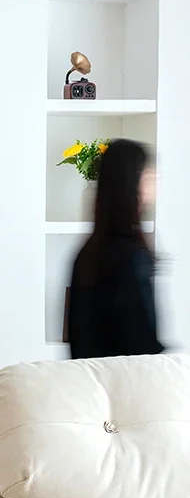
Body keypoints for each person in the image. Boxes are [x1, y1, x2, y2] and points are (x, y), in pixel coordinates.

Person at [67, 138, 163, 359]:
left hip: (94, 387)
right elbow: (141, 346)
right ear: (132, 183)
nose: (156, 182)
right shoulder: (130, 256)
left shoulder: (87, 254)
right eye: (149, 175)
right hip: (127, 387)